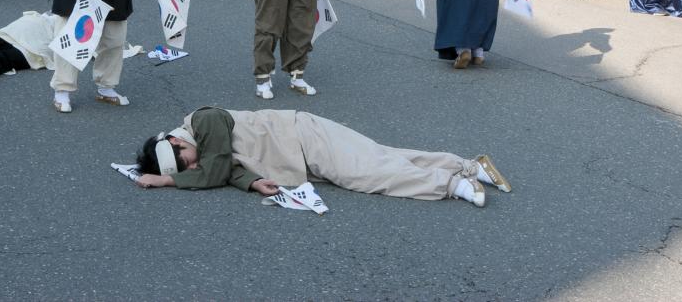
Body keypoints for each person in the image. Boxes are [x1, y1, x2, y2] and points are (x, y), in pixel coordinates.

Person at [133, 106, 510, 208]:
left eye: (185, 162)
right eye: (186, 170)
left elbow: (214, 169)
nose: (192, 167)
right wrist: (250, 180)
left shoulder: (203, 120)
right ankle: (470, 166)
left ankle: (454, 185)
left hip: (305, 140)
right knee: (383, 157)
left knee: (368, 174)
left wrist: (167, 179)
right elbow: (225, 164)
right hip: (305, 141)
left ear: (175, 141)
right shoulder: (201, 137)